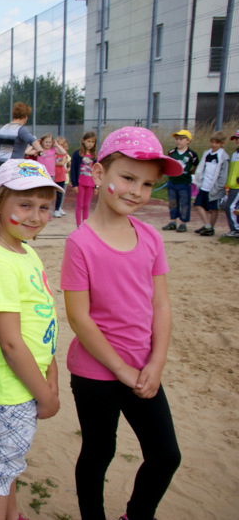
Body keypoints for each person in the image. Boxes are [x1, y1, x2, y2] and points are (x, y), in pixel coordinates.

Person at [61, 126, 182, 520]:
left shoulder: (151, 237)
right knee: (99, 452)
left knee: (165, 455)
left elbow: (161, 304)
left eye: (147, 184)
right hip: (97, 373)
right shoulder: (80, 243)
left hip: (144, 370)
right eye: (128, 178)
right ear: (99, 174)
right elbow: (79, 318)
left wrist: (155, 363)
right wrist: (121, 369)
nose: (137, 191)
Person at [0, 159, 63, 520]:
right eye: (24, 205)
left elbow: (37, 319)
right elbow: (10, 342)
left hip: (27, 379)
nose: (36, 216)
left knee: (8, 463)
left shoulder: (23, 249)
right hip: (12, 386)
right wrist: (45, 394)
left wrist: (51, 369)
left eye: (44, 207)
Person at [161, 129, 199, 233]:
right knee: (172, 202)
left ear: (188, 141)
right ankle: (173, 221)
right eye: (177, 139)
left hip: (184, 183)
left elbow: (194, 166)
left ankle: (183, 223)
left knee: (185, 203)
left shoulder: (191, 154)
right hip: (172, 182)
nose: (178, 141)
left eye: (181, 139)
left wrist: (189, 173)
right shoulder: (171, 153)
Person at [193, 131, 229, 236]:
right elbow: (201, 168)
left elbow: (223, 174)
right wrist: (199, 181)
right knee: (198, 205)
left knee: (213, 208)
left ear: (222, 143)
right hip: (204, 185)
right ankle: (207, 225)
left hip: (214, 188)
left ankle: (210, 228)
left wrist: (219, 187)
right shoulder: (207, 153)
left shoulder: (224, 157)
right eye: (212, 142)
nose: (214, 144)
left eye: (217, 143)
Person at [0, 102, 43, 177]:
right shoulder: (20, 129)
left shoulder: (3, 129)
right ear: (26, 117)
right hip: (12, 167)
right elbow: (32, 140)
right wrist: (40, 150)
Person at [70, 131, 98, 227]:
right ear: (83, 141)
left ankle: (85, 225)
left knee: (86, 205)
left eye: (92, 142)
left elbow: (97, 171)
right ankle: (79, 225)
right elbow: (73, 169)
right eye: (89, 141)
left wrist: (96, 186)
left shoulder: (94, 156)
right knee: (80, 204)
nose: (90, 144)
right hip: (80, 183)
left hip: (90, 184)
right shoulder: (77, 154)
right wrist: (74, 184)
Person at [222, 130, 239, 239]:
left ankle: (235, 229)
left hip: (237, 187)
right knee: (234, 208)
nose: (237, 141)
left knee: (230, 207)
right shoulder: (234, 154)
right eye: (236, 139)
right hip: (232, 186)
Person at [54, 137, 72, 217]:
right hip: (53, 176)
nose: (59, 146)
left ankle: (57, 209)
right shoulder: (53, 153)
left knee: (60, 194)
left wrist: (53, 163)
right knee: (51, 195)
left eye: (61, 145)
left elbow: (62, 163)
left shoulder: (64, 154)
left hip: (61, 176)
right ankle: (50, 209)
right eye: (58, 144)